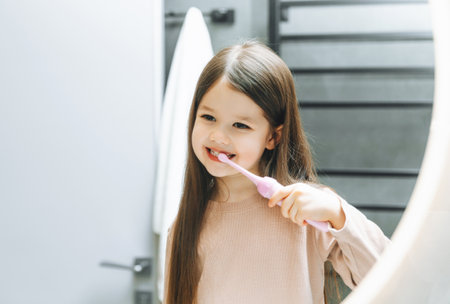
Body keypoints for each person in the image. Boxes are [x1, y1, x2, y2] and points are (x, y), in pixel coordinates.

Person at [163, 41, 390, 304]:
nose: (217, 136)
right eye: (208, 117)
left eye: (240, 125)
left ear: (273, 136)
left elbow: (391, 274)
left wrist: (337, 213)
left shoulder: (308, 211)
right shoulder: (186, 224)